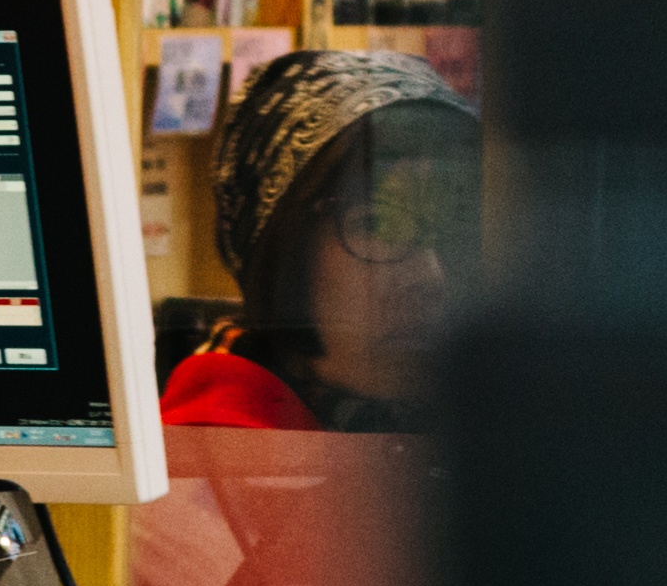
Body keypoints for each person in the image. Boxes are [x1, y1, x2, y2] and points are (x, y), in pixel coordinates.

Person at [159, 48, 482, 433]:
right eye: (376, 223)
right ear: (282, 251)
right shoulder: (204, 462)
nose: (431, 277)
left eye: (454, 228)